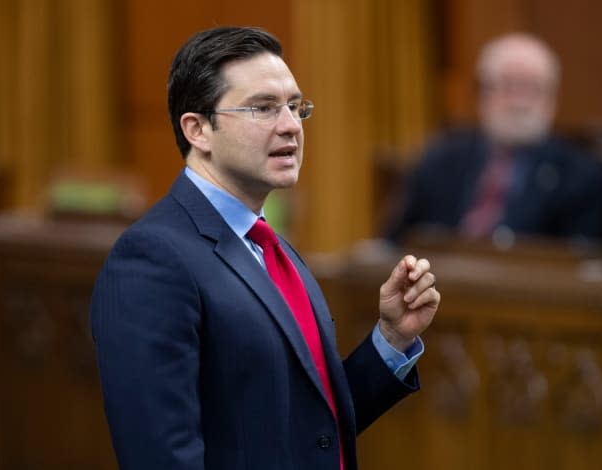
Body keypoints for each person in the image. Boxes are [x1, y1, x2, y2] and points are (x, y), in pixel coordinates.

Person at [91, 26, 440, 470]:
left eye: (296, 107)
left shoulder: (270, 247)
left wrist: (391, 339)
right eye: (263, 108)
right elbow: (160, 455)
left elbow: (310, 427)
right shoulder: (151, 259)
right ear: (198, 129)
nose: (291, 126)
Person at [385, 32, 602, 245]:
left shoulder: (582, 174)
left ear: (553, 98)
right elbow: (395, 242)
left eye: (532, 87)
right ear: (483, 93)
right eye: (508, 85)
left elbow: (581, 264)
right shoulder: (441, 159)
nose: (518, 102)